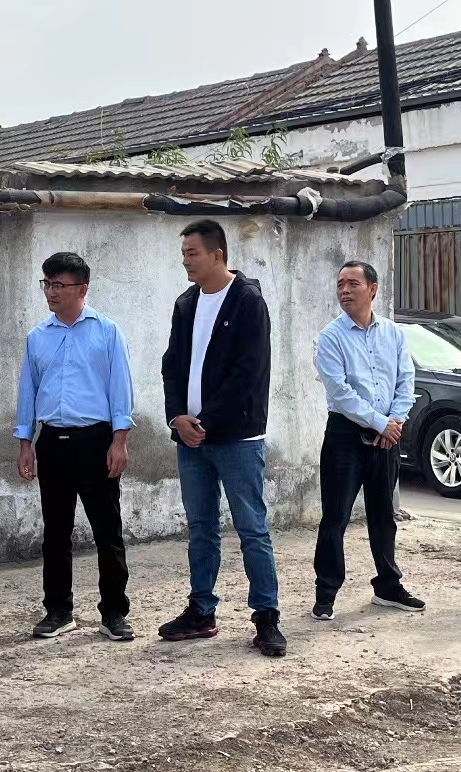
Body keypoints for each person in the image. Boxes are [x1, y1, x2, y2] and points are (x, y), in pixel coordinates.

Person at [158, 219, 285, 657]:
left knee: (251, 528)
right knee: (200, 527)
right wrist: (177, 417)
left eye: (192, 253)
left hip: (237, 437)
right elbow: (171, 365)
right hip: (190, 437)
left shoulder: (248, 301)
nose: (185, 261)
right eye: (183, 254)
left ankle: (266, 616)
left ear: (217, 254)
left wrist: (205, 421)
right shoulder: (186, 303)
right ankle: (201, 610)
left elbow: (247, 373)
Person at [15, 252, 136, 642]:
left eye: (59, 285)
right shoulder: (38, 336)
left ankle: (114, 613)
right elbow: (28, 391)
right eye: (47, 284)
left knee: (107, 532)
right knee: (55, 532)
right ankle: (58, 611)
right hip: (52, 442)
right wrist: (25, 442)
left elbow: (120, 388)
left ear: (82, 289)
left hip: (96, 441)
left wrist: (119, 440)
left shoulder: (107, 331)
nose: (51, 292)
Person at [310, 261, 422, 620]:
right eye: (340, 284)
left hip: (388, 436)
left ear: (373, 289)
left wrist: (395, 421)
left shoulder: (393, 334)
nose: (344, 290)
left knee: (384, 515)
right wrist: (381, 423)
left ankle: (388, 586)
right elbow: (341, 393)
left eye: (353, 284)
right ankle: (326, 593)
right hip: (345, 436)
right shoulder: (330, 337)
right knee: (336, 517)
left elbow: (406, 380)